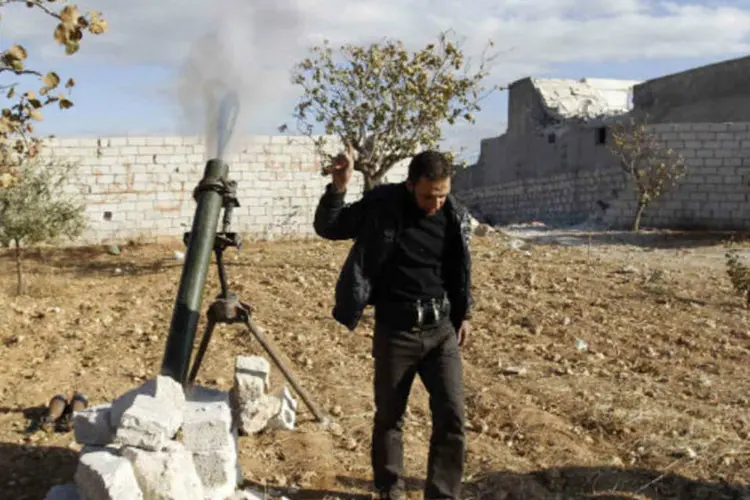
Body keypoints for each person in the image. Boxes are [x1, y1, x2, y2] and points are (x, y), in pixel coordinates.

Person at [313, 147, 473, 500]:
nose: (436, 204)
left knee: (452, 416)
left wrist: (464, 315)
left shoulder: (453, 214)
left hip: (441, 331)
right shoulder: (382, 203)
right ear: (410, 184)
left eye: (443, 195)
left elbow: (459, 269)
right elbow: (330, 227)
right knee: (390, 417)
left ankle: (443, 494)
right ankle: (391, 491)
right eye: (429, 196)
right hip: (396, 331)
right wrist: (338, 187)